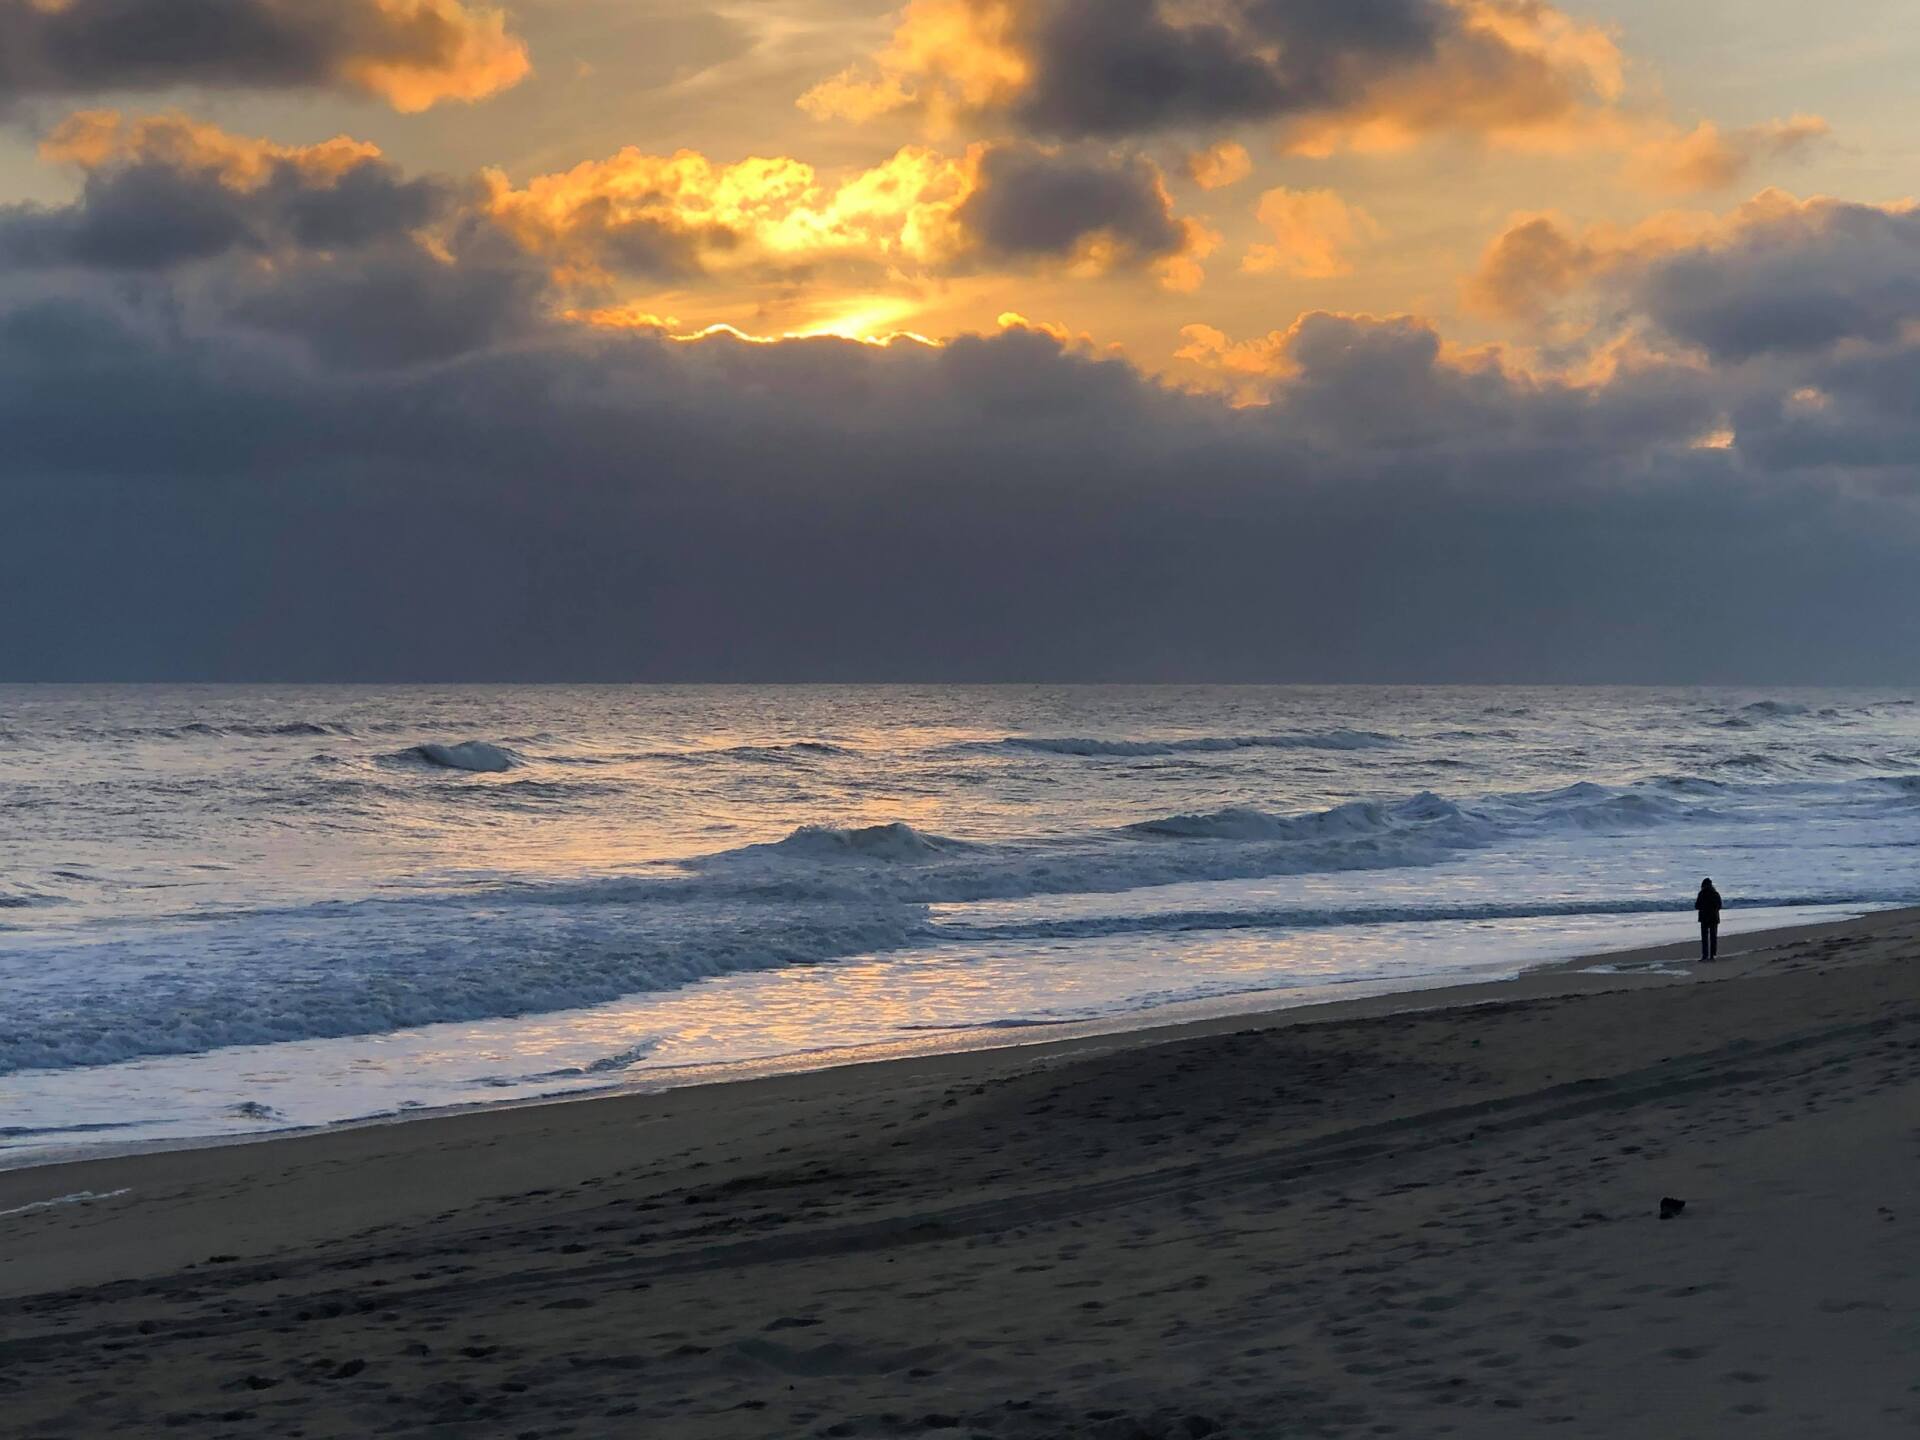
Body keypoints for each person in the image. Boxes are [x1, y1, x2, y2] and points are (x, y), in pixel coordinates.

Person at [1694, 878, 1723, 962]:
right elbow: (1719, 906)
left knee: (1704, 938)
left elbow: (1697, 906)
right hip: (1714, 918)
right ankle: (1712, 955)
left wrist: (1703, 908)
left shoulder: (1701, 894)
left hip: (1704, 918)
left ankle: (1704, 955)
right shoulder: (1715, 893)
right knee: (1713, 937)